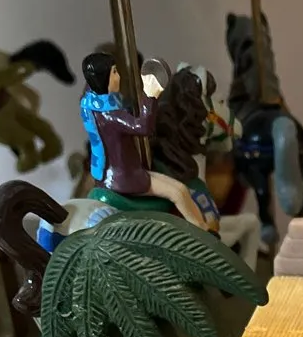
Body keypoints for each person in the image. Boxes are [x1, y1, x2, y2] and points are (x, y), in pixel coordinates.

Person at [79, 51, 207, 228]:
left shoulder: (94, 104)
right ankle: (201, 231)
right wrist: (150, 95)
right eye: (114, 72)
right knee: (178, 193)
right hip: (124, 178)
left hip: (114, 174)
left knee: (180, 189)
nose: (119, 77)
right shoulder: (110, 115)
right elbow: (143, 127)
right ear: (103, 79)